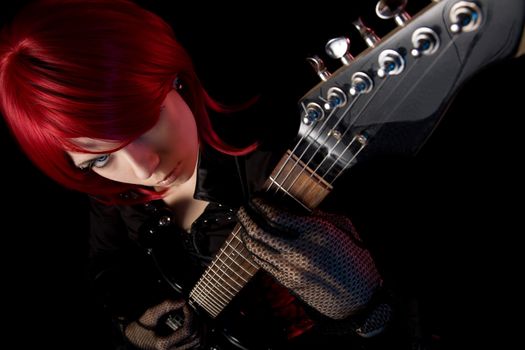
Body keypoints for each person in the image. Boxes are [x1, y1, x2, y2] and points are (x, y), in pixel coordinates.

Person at [0, 1, 410, 349]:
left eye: (144, 122)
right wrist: (136, 325)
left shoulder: (285, 160)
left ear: (173, 78)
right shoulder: (112, 191)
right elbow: (106, 267)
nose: (143, 168)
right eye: (99, 159)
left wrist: (367, 309)